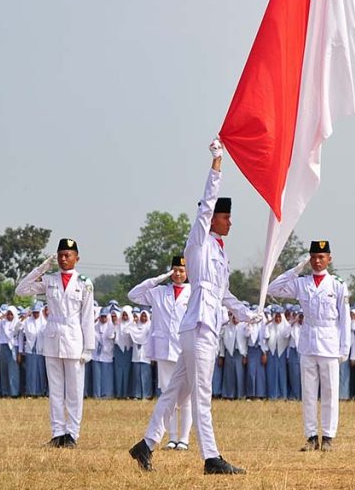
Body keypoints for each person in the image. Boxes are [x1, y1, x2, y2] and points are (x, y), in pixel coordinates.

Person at [129, 137, 254, 475]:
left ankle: (145, 445)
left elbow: (223, 293)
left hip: (206, 327)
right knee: (201, 394)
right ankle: (211, 457)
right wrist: (217, 165)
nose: (230, 222)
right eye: (226, 217)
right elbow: (205, 205)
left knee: (175, 392)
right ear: (213, 218)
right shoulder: (198, 241)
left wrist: (246, 312)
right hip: (197, 328)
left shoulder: (220, 250)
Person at [267, 240, 352, 452]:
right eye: (313, 257)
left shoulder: (337, 284)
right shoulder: (301, 282)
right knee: (308, 392)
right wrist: (297, 268)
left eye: (321, 257)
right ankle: (311, 436)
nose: (317, 261)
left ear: (329, 259)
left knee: (330, 393)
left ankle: (329, 437)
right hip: (307, 342)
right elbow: (272, 288)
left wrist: (344, 348)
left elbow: (345, 319)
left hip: (330, 342)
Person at [15, 238, 97, 448]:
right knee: (55, 390)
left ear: (76, 258)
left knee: (74, 391)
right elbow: (21, 290)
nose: (63, 259)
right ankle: (58, 432)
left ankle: (72, 434)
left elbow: (87, 318)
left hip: (74, 339)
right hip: (52, 338)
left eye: (67, 255)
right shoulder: (50, 279)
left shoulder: (84, 283)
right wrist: (41, 268)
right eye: (60, 255)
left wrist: (88, 347)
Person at [128, 255, 192, 448]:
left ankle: (184, 438)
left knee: (186, 395)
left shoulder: (193, 291)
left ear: (188, 272)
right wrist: (158, 279)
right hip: (164, 348)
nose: (178, 274)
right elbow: (133, 295)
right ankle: (172, 437)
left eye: (182, 270)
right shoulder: (159, 292)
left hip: (184, 347)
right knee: (167, 394)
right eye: (175, 270)